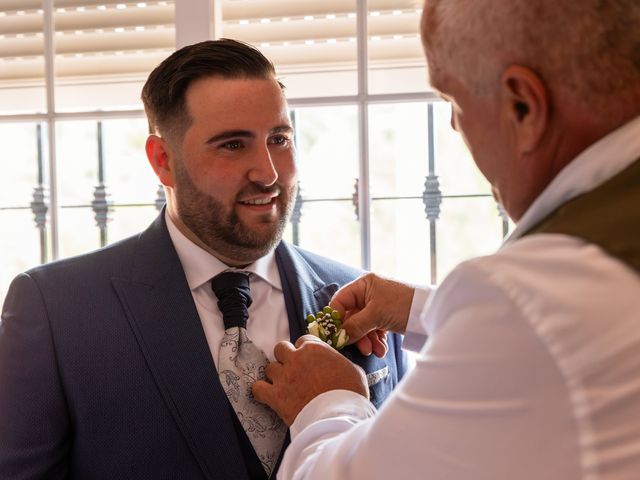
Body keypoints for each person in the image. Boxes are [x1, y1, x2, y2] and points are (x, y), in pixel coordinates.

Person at [252, 1, 640, 478]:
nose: (455, 125)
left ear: (523, 105)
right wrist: (425, 311)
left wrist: (326, 403)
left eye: (454, 101)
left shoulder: (526, 298)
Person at [0, 39, 407, 480]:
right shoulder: (55, 309)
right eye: (233, 145)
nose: (268, 173)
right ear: (163, 161)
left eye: (279, 139)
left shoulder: (370, 304)